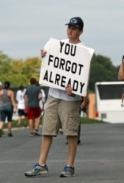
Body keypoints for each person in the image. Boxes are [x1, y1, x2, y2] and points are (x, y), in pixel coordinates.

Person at [25, 17, 87, 178]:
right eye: (69, 27)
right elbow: (47, 61)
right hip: (53, 94)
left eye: (74, 28)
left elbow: (82, 76)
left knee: (71, 132)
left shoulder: (83, 51)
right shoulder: (56, 45)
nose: (70, 30)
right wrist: (44, 55)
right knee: (47, 129)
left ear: (81, 31)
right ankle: (41, 164)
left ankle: (70, 166)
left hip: (70, 99)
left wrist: (76, 92)